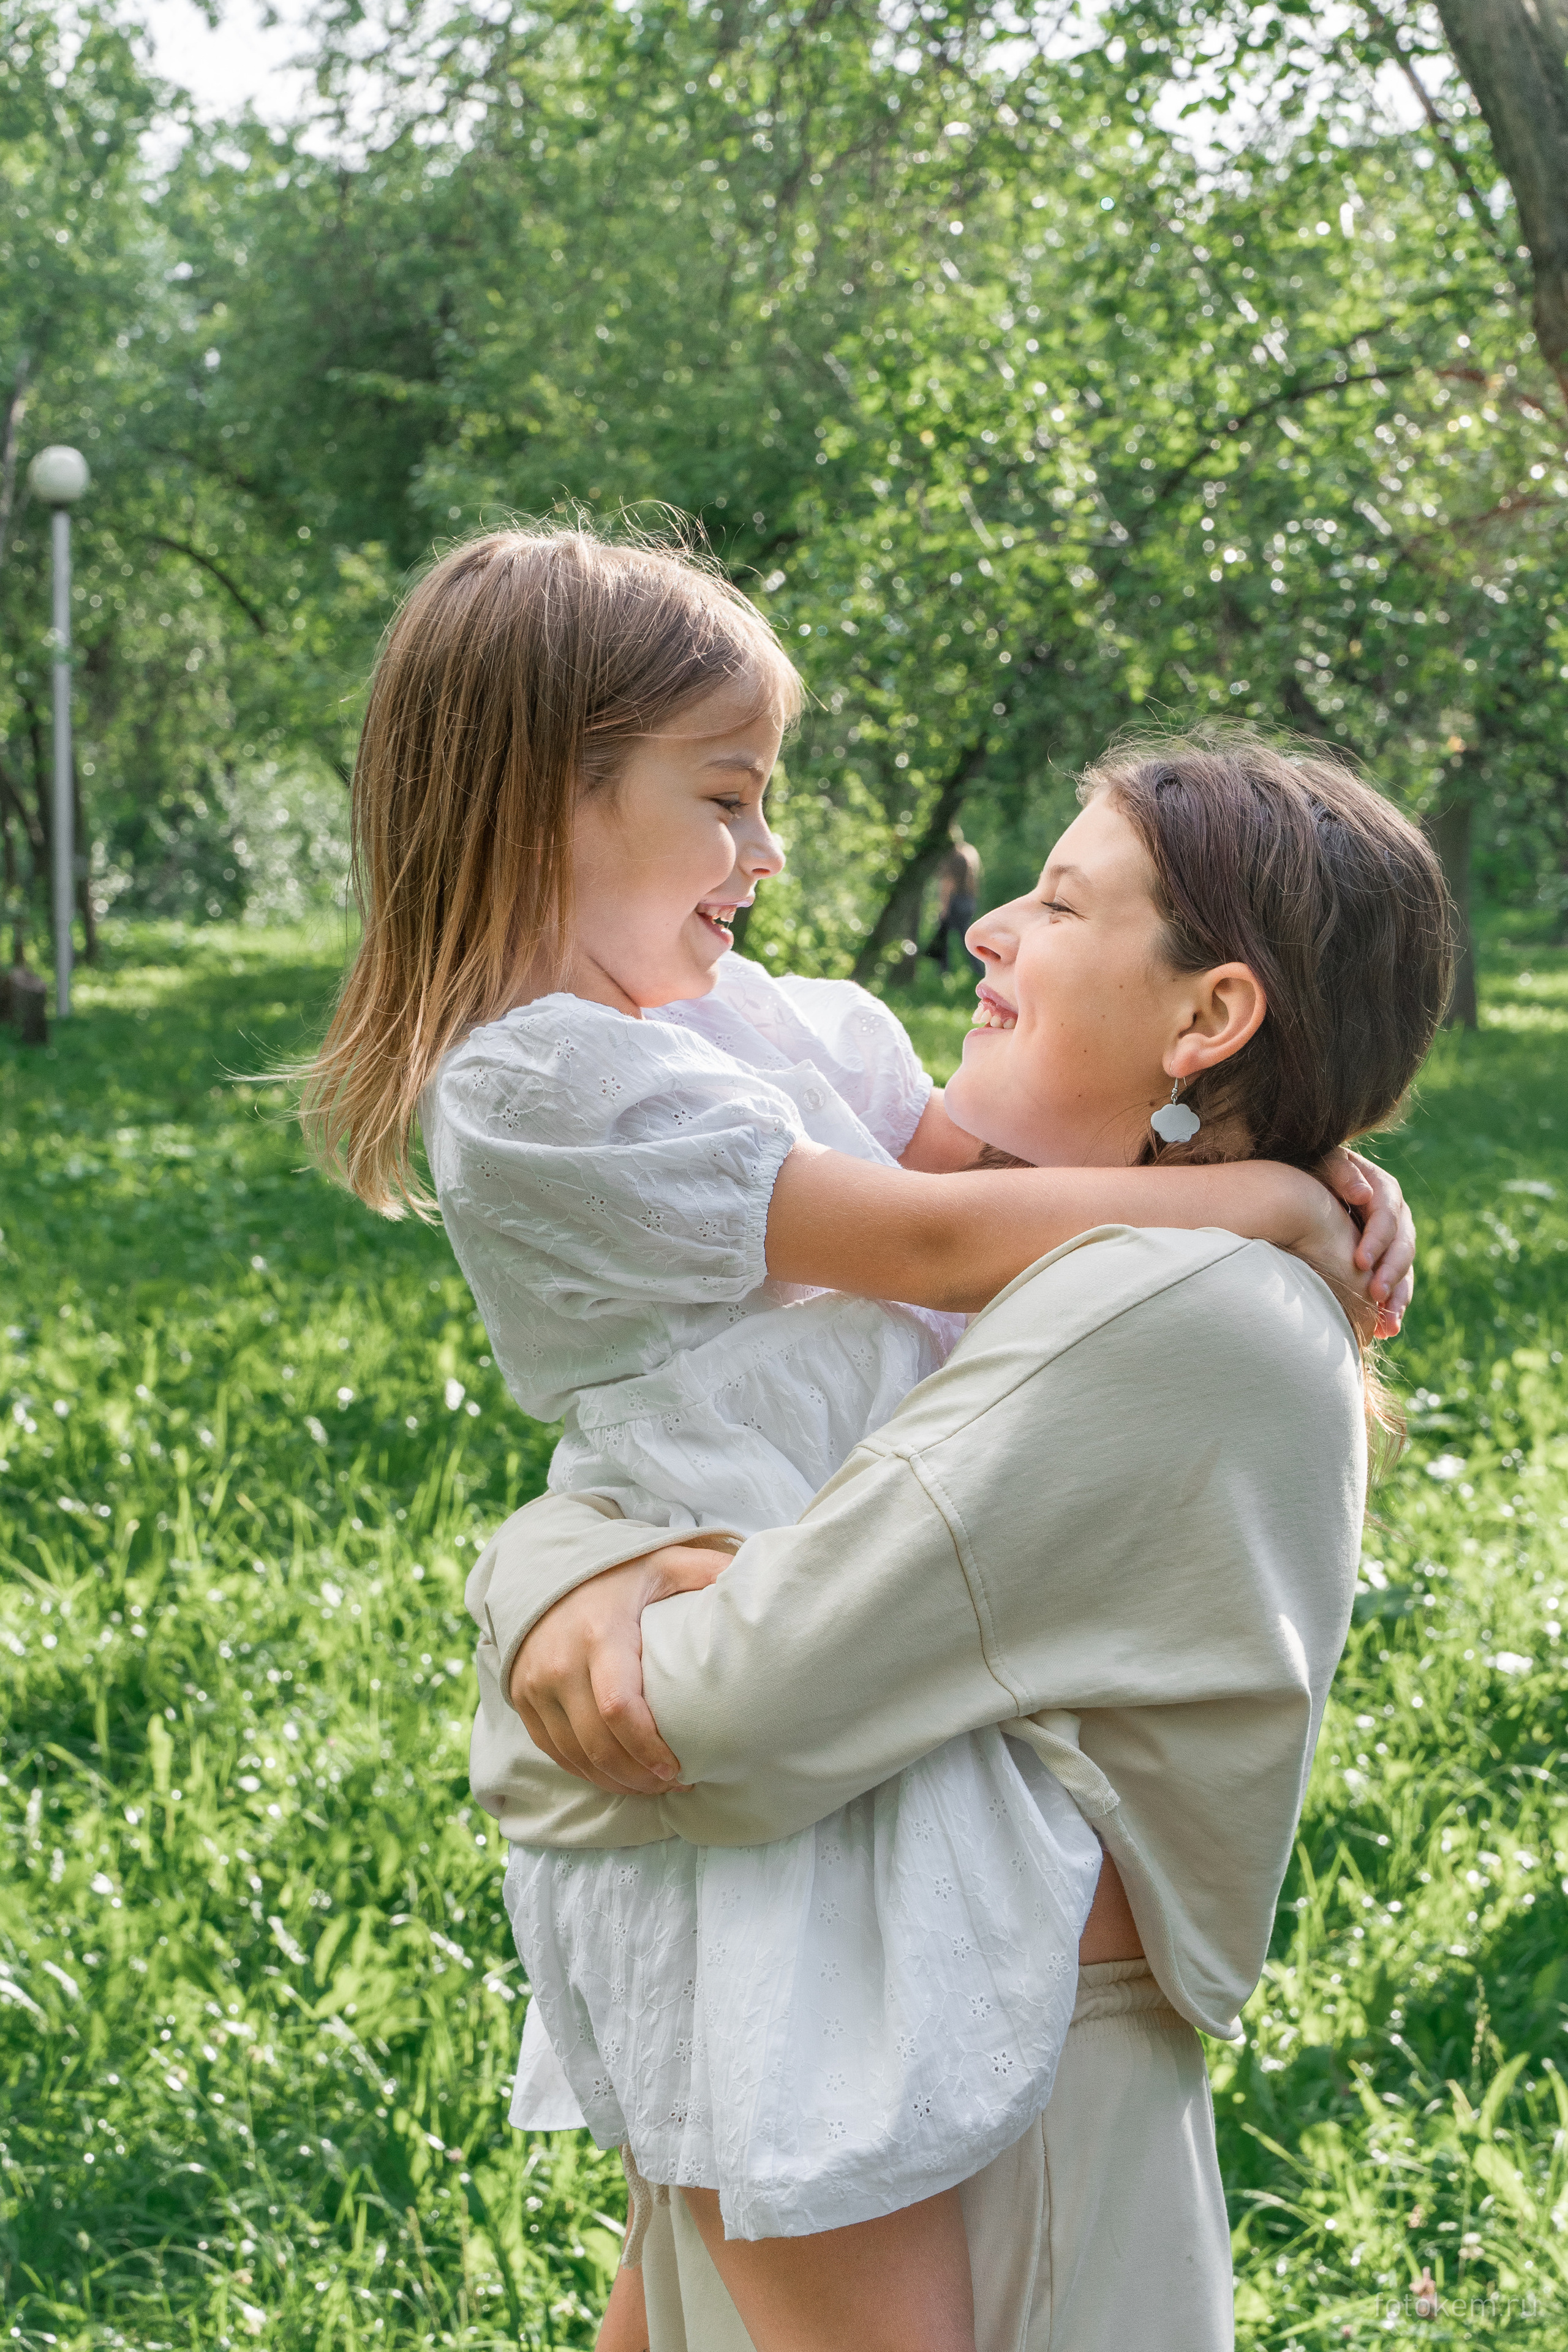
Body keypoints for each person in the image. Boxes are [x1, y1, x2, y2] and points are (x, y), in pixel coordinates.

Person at [296, 528, 1412, 2352]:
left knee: (712, 2259)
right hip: (758, 1708)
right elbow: (917, 1235)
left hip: (817, 1724)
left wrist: (1291, 1154)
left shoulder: (756, 1022)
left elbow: (997, 1178)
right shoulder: (543, 1084)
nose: (770, 851)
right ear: (538, 801)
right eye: (725, 800)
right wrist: (1275, 1196)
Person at [925, 822, 984, 974]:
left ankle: (946, 972)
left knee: (950, 939)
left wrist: (943, 907)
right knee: (962, 937)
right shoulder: (969, 854)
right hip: (968, 902)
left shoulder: (953, 857)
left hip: (955, 903)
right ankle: (973, 971)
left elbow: (948, 885)